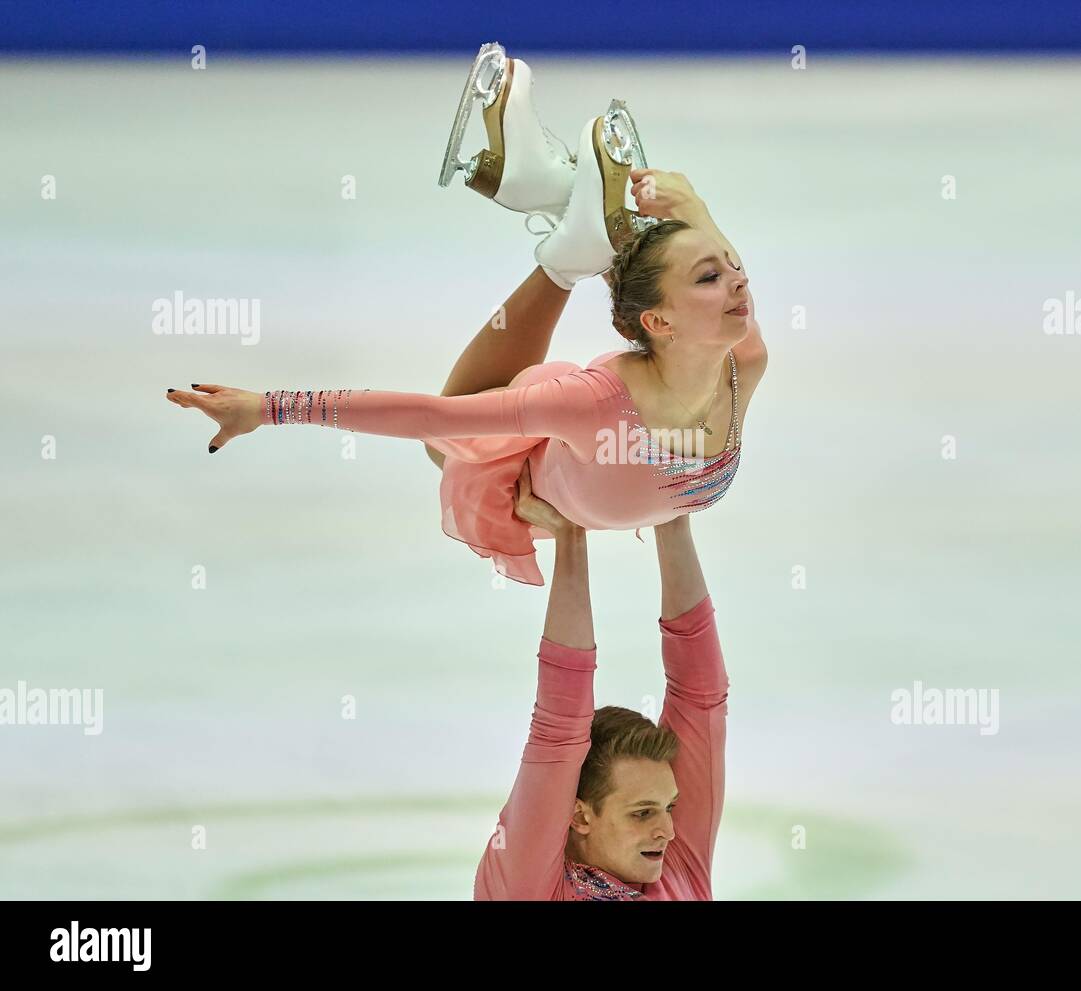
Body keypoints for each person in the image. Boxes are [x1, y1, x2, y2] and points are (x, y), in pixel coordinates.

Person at [165, 49, 767, 584]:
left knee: (643, 274)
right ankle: (567, 226)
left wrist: (695, 209)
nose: (741, 280)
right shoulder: (595, 404)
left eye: (729, 271)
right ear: (658, 326)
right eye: (713, 278)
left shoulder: (740, 365)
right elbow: (430, 414)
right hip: (515, 469)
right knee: (448, 442)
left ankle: (562, 211)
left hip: (564, 489)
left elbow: (700, 277)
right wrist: (266, 409)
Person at [473, 461, 727, 900]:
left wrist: (671, 515)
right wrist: (568, 536)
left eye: (668, 807)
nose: (667, 830)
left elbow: (701, 696)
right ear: (580, 815)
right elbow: (560, 725)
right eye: (643, 812)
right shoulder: (527, 889)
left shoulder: (676, 872)